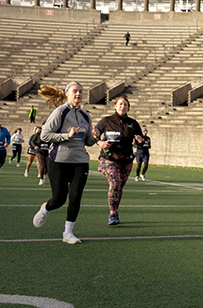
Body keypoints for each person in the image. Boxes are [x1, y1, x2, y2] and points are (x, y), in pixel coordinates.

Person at [32, 82, 97, 244]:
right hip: (59, 160)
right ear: (67, 93)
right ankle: (46, 208)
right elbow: (45, 136)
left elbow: (87, 142)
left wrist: (94, 137)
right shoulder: (60, 112)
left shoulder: (86, 116)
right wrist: (65, 136)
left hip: (80, 161)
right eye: (75, 91)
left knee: (75, 197)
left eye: (81, 92)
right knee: (59, 199)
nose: (78, 94)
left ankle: (68, 233)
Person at [94, 96, 143, 226]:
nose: (123, 107)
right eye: (120, 104)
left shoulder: (133, 123)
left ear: (128, 108)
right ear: (115, 106)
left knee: (119, 187)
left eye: (125, 105)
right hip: (109, 158)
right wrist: (99, 142)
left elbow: (142, 141)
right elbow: (95, 133)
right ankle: (112, 213)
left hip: (126, 160)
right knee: (115, 183)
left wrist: (140, 141)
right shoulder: (106, 121)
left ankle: (115, 210)